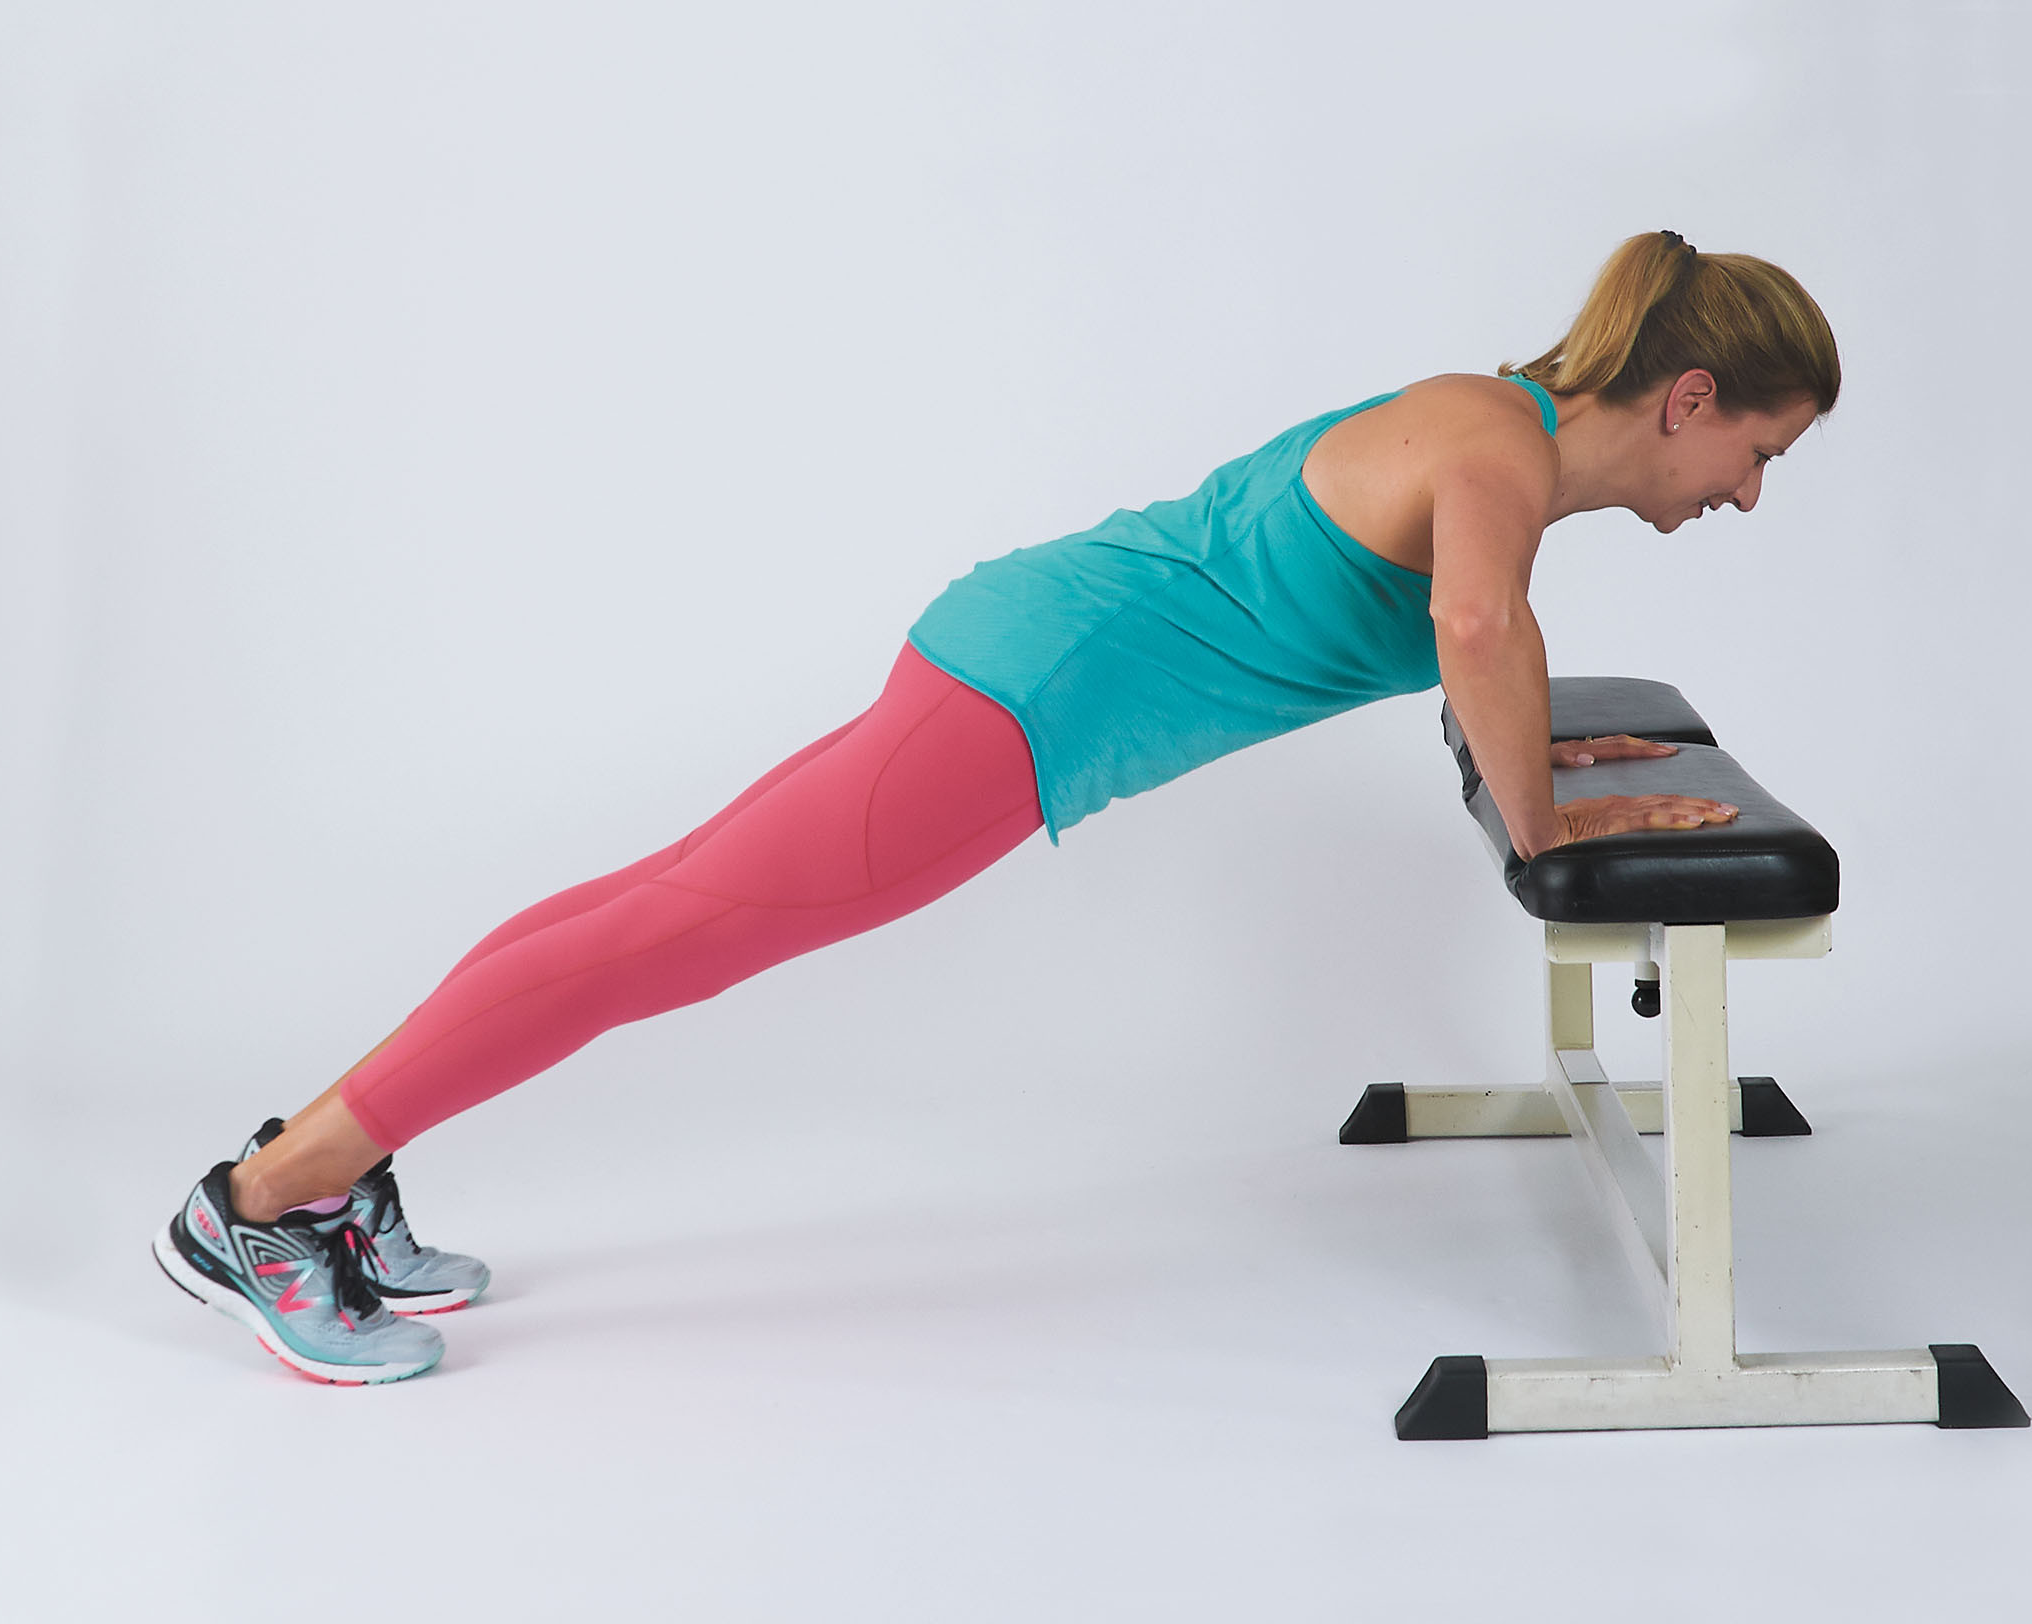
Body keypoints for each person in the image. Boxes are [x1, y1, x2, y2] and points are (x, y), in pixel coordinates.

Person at [152, 229, 1839, 1383]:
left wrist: (1555, 756)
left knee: (647, 907)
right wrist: (1552, 837)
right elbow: (1475, 626)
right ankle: (258, 1205)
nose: (1752, 494)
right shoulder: (1500, 461)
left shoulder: (1493, 425)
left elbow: (1460, 638)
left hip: (1014, 654)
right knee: (657, 942)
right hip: (1020, 706)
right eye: (1761, 449)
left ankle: (328, 1172)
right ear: (1691, 397)